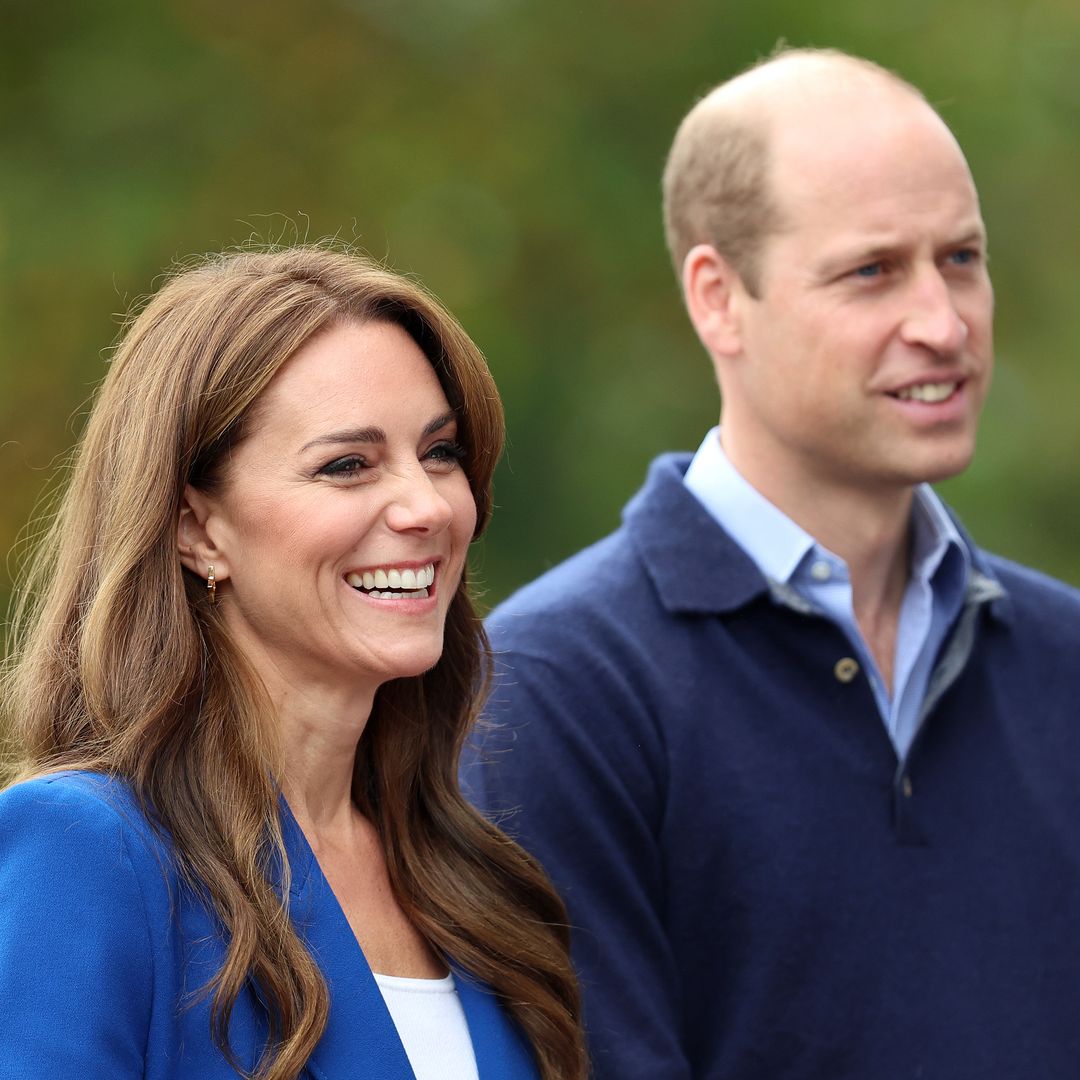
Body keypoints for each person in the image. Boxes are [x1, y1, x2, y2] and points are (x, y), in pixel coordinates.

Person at [462, 47, 1080, 1079]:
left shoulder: (1067, 663)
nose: (942, 323)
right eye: (872, 271)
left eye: (962, 258)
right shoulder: (555, 689)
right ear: (716, 298)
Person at [0, 246, 587, 1080]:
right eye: (347, 465)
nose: (426, 506)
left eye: (441, 453)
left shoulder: (472, 877)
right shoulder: (87, 853)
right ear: (196, 527)